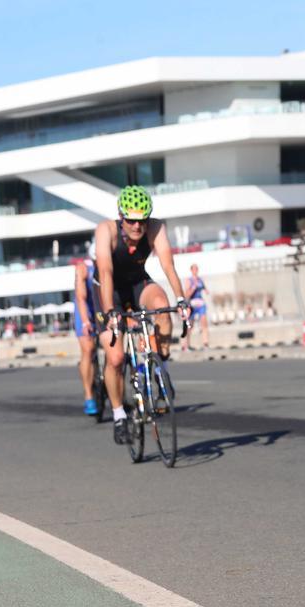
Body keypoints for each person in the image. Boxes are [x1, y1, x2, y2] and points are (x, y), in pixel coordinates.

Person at [95, 185, 190, 444]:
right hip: (107, 290)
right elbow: (105, 272)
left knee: (162, 305)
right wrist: (110, 312)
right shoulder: (107, 231)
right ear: (121, 216)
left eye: (142, 221)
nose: (137, 227)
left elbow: (168, 265)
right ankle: (118, 415)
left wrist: (181, 299)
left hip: (137, 284)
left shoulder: (156, 227)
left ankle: (162, 371)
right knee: (115, 357)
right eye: (131, 220)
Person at [73, 256, 101, 415]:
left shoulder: (113, 263)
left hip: (100, 310)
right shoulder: (83, 268)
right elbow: (81, 298)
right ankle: (89, 395)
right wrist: (85, 322)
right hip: (85, 310)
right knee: (88, 349)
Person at [183, 263, 209, 350]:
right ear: (191, 270)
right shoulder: (188, 280)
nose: (196, 271)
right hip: (192, 304)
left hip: (201, 303)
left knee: (204, 323)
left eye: (197, 269)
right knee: (190, 325)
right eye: (194, 269)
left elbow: (206, 290)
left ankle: (205, 344)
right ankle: (186, 345)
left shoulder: (200, 279)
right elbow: (186, 295)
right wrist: (193, 287)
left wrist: (206, 291)